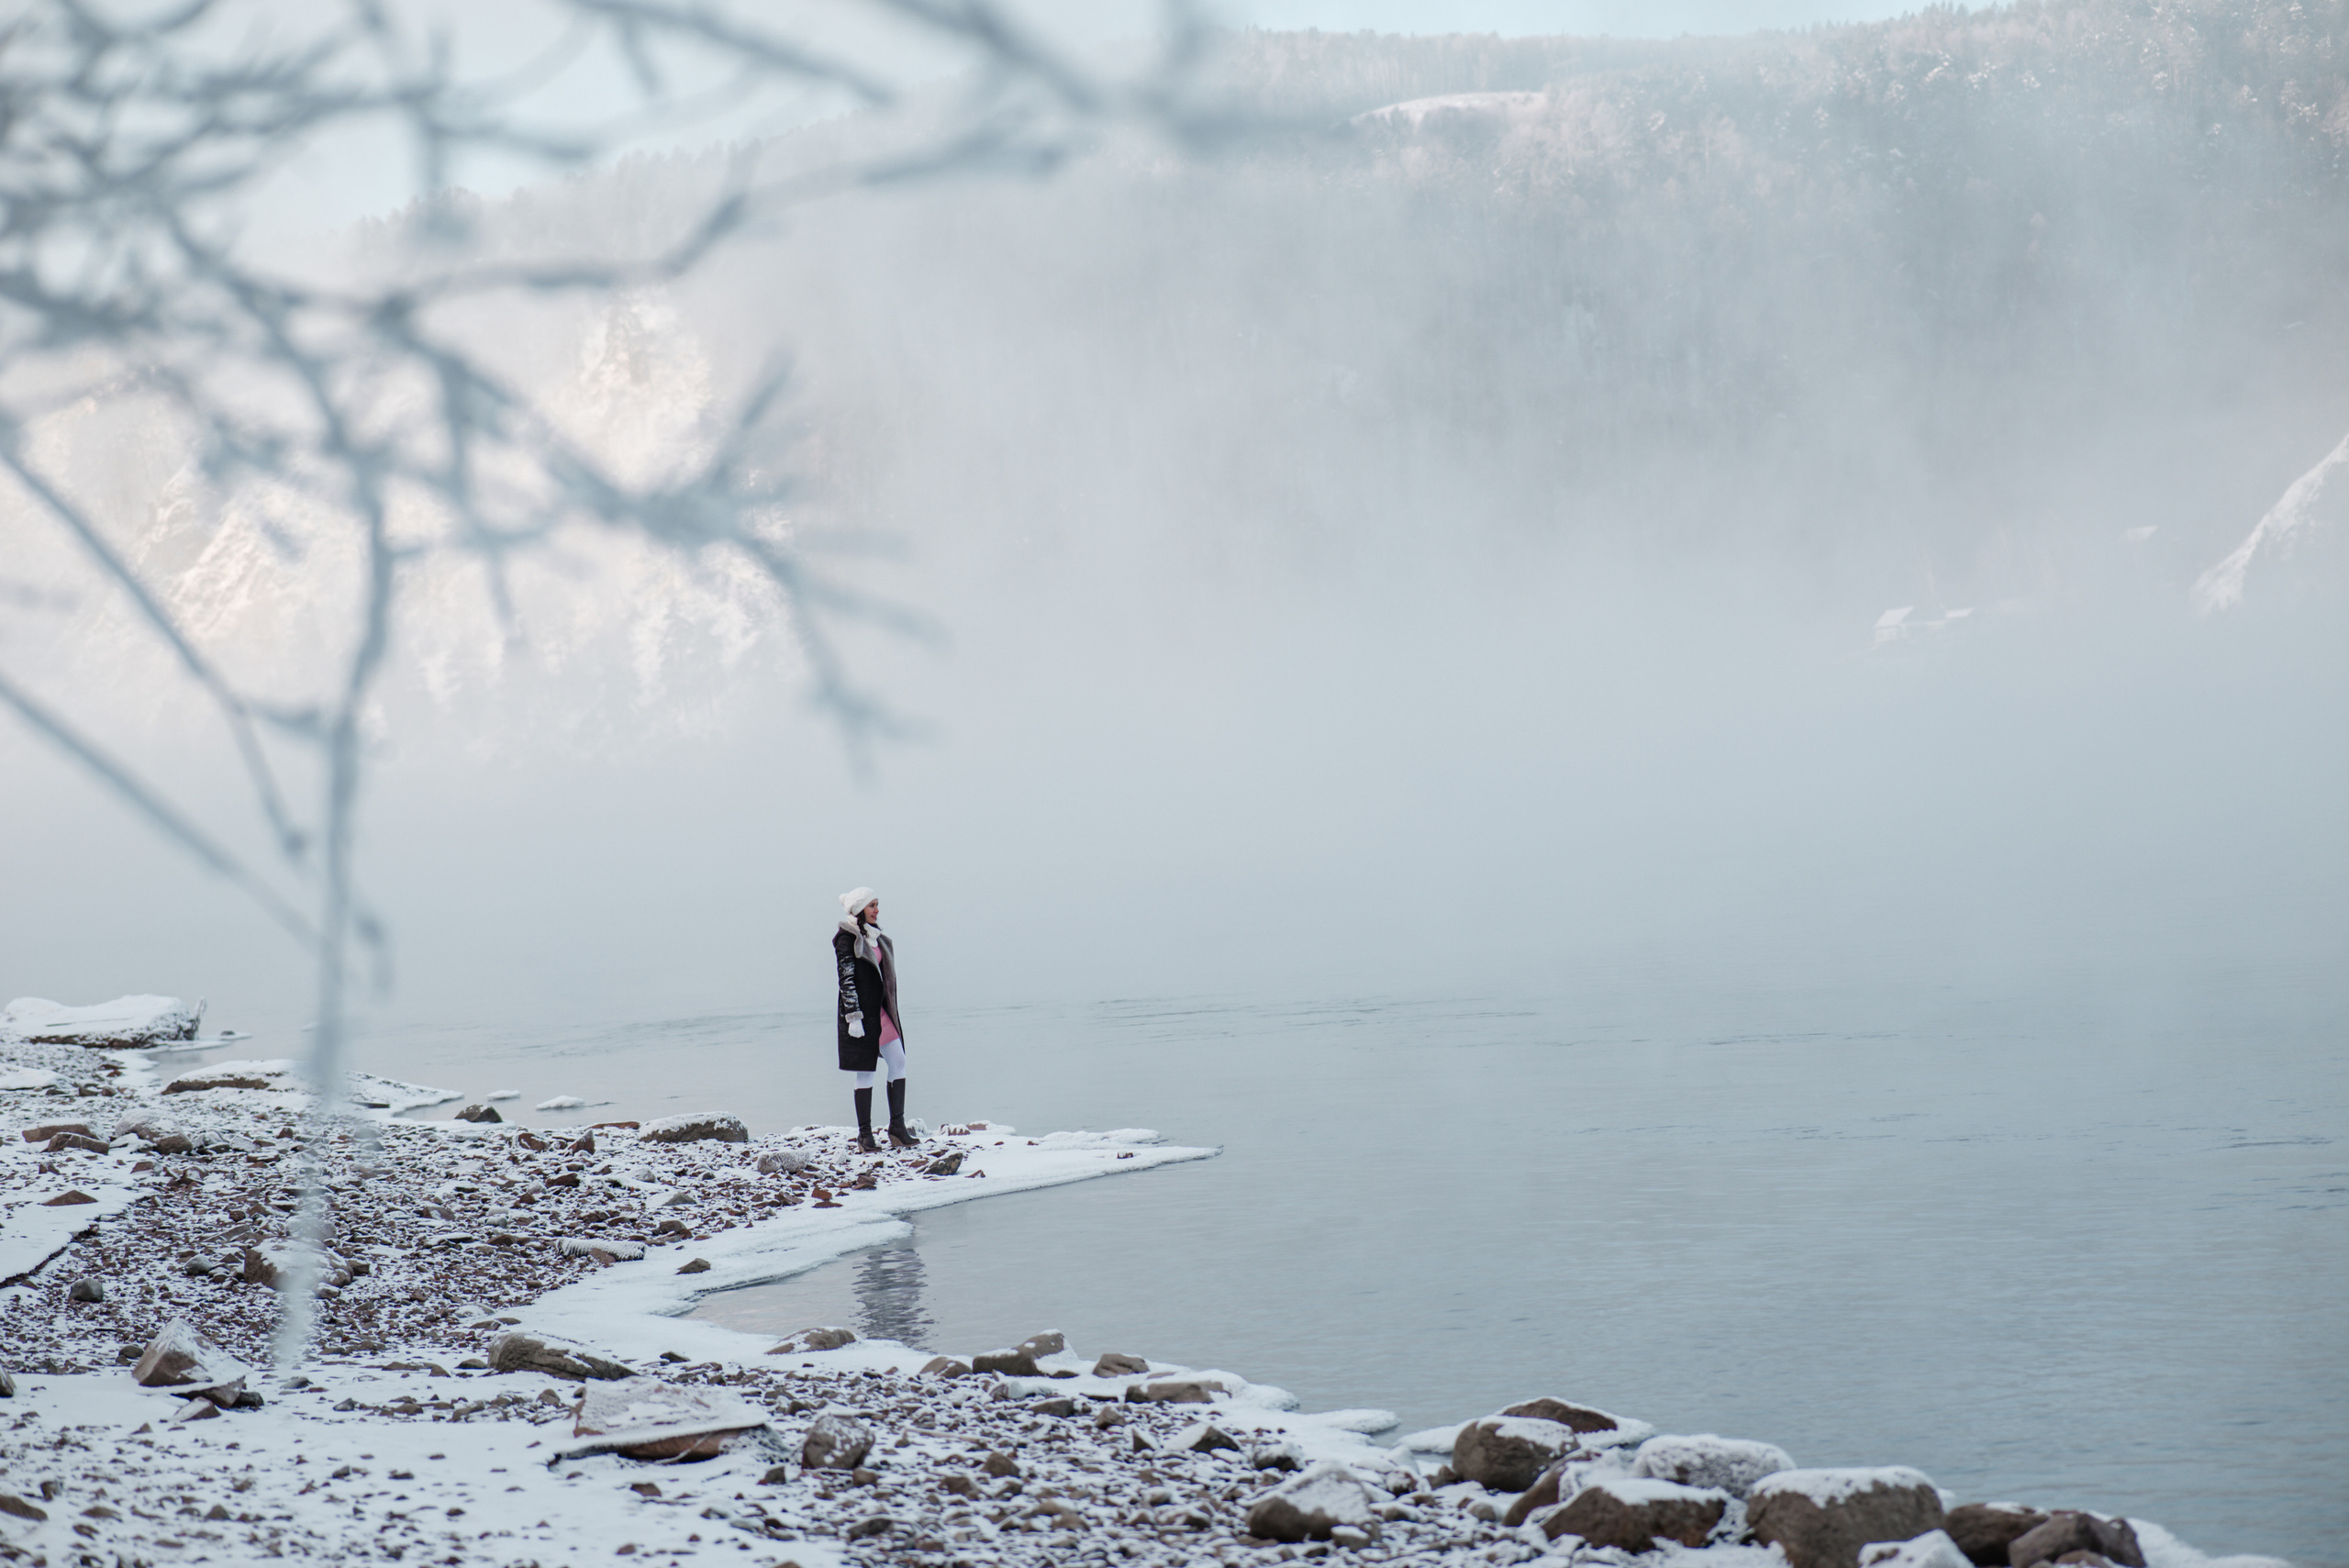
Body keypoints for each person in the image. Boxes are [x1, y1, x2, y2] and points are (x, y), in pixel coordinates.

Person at [834, 887, 914, 1153]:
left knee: (898, 1061)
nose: (877, 910)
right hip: (860, 1016)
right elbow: (846, 981)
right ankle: (865, 1135)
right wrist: (853, 1018)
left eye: (877, 905)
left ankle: (897, 1128)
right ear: (859, 910)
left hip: (881, 1013)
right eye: (872, 906)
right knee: (866, 1071)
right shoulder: (847, 939)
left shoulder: (875, 937)